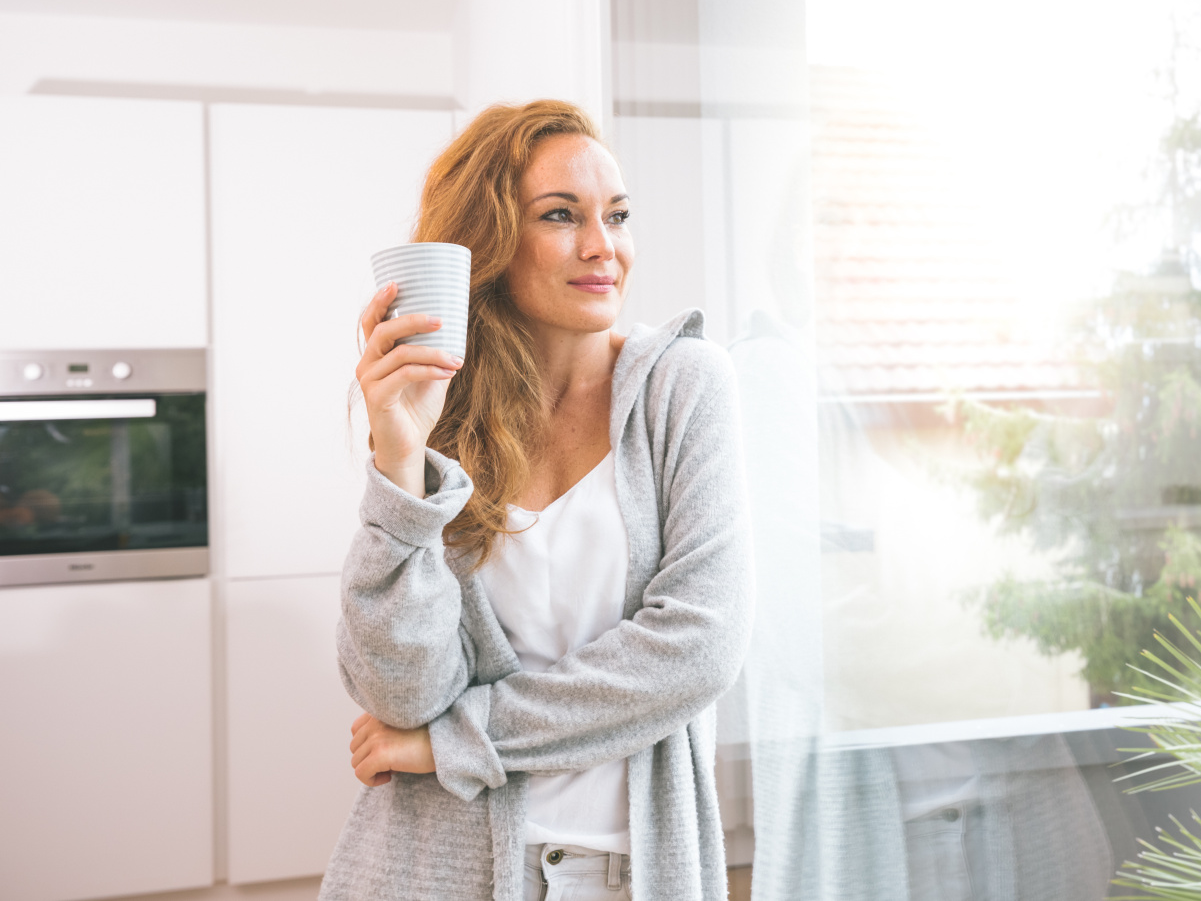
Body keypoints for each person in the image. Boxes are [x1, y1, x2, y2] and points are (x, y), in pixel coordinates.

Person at [318, 99, 753, 901]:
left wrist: (456, 738)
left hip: (630, 875)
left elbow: (698, 647)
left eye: (616, 215)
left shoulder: (683, 388)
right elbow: (399, 694)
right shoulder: (441, 409)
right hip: (439, 872)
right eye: (561, 215)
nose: (603, 247)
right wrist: (399, 459)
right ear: (488, 244)